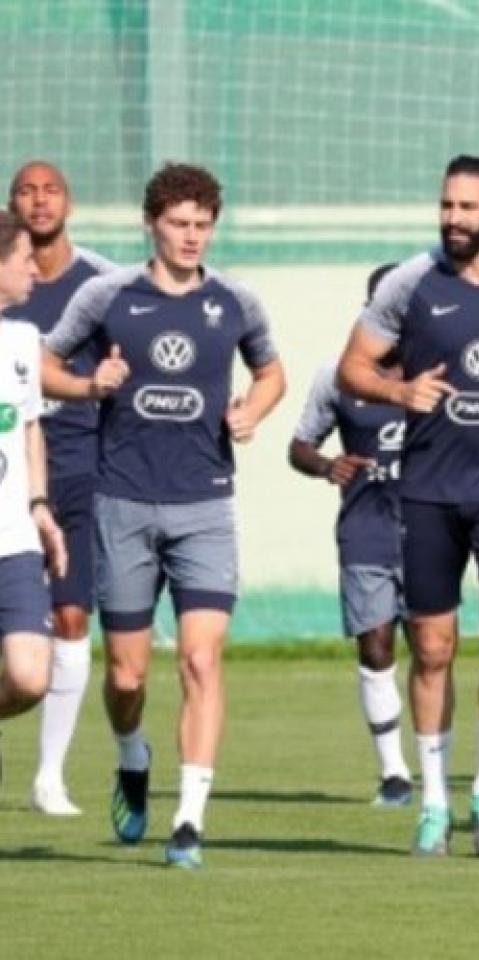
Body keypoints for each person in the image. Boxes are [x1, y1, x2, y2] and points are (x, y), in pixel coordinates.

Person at [43, 163, 288, 868]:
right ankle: (131, 755)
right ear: (151, 223)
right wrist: (92, 385)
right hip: (121, 502)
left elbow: (271, 372)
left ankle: (188, 821)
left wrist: (252, 409)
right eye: (178, 224)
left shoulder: (236, 302)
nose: (191, 236)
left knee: (202, 659)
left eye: (202, 225)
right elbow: (48, 363)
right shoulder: (107, 295)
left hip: (205, 504)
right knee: (125, 676)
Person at [338, 155, 479, 857]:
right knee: (433, 650)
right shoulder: (410, 285)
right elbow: (355, 363)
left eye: (468, 208)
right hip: (429, 491)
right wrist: (397, 392)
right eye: (446, 206)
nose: (453, 219)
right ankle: (434, 801)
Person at [4, 161, 114, 816]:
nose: (40, 201)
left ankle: (50, 775)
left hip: (60, 483)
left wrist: (39, 504)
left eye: (52, 190)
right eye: (26, 191)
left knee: (66, 625)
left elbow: (32, 415)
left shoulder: (98, 284)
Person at [288, 264, 413, 807]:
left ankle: (439, 758)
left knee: (434, 650)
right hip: (366, 530)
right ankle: (394, 773)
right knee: (377, 642)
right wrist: (325, 466)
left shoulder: (442, 374)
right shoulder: (336, 376)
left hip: (431, 530)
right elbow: (299, 445)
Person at [0, 209, 70, 798]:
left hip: (14, 539)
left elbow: (28, 432)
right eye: (24, 258)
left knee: (29, 677)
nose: (35, 270)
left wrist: (41, 505)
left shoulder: (22, 341)